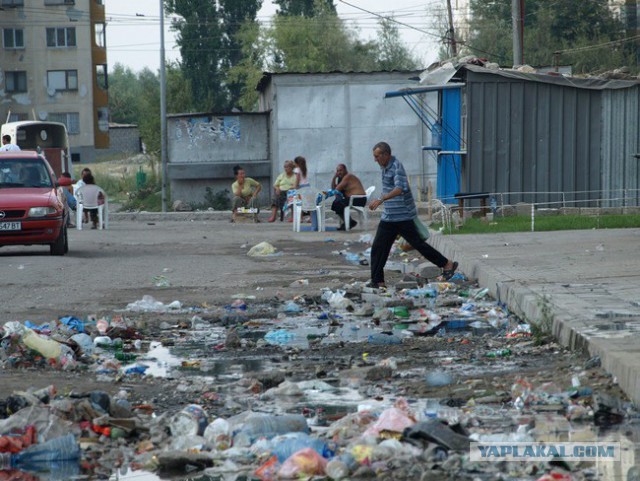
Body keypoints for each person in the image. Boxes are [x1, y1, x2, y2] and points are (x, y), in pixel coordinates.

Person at [368, 141, 458, 288]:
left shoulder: (396, 167)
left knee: (418, 244)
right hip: (389, 217)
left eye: (377, 156)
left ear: (386, 155)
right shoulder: (385, 167)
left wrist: (381, 199)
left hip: (402, 216)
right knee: (379, 248)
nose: (375, 160)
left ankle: (447, 264)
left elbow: (399, 189)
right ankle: (378, 281)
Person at [330, 163, 366, 231]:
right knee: (336, 203)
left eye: (340, 170)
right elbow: (334, 189)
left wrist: (336, 180)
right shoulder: (341, 178)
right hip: (353, 199)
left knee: (337, 203)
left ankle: (349, 222)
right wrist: (334, 178)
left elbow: (337, 189)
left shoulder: (348, 176)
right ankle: (349, 222)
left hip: (359, 199)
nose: (339, 172)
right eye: (337, 171)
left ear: (345, 170)